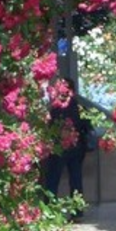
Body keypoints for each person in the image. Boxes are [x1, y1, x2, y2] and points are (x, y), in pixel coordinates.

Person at [45, 78, 93, 216]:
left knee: (53, 179)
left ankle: (49, 211)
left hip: (60, 146)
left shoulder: (58, 105)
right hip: (76, 147)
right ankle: (77, 211)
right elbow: (85, 123)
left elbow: (52, 124)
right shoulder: (77, 104)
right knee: (75, 179)